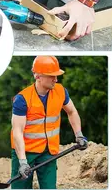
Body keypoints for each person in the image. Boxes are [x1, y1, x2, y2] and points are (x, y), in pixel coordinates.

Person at [10, 56, 88, 189]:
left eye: (56, 75)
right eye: (51, 76)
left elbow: (72, 112)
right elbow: (17, 131)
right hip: (25, 152)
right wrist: (22, 162)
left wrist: (79, 134)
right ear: (38, 76)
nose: (56, 79)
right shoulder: (22, 99)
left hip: (49, 152)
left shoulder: (60, 91)